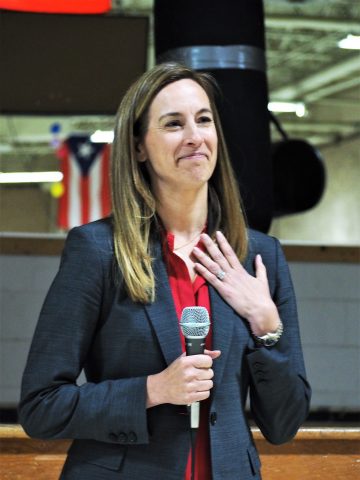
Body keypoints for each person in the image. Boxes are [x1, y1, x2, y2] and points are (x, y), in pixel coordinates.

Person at [19, 63, 311, 480]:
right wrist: (152, 391)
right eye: (173, 124)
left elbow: (284, 426)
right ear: (139, 146)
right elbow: (41, 407)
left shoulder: (261, 257)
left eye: (204, 120)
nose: (195, 137)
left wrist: (266, 323)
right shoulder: (98, 251)